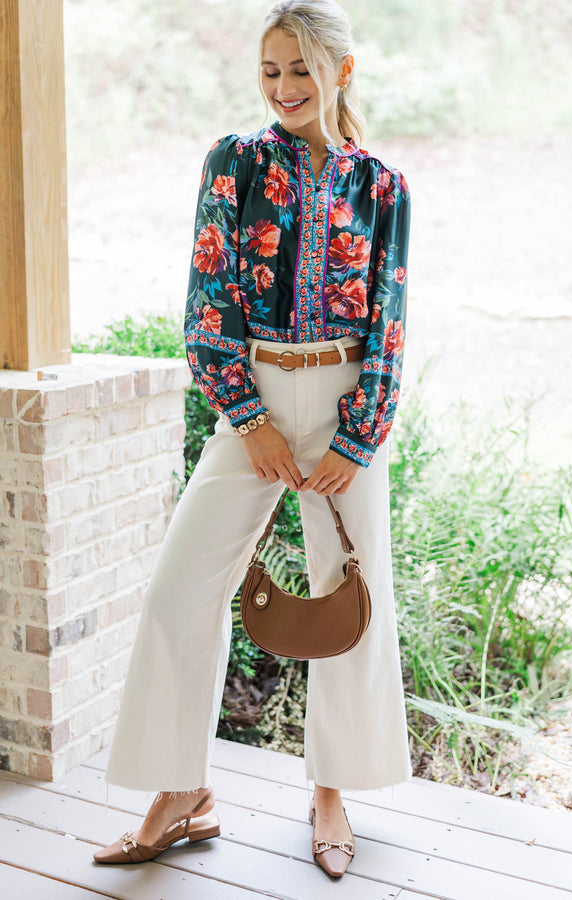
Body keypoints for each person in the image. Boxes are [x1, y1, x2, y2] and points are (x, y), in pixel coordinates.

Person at [94, 0, 411, 880]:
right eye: (270, 71)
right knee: (178, 593)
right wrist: (249, 416)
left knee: (350, 596)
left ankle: (331, 792)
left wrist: (360, 435)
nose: (284, 89)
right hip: (258, 399)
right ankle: (181, 792)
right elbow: (207, 301)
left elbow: (389, 319)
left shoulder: (383, 186)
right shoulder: (233, 163)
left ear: (342, 72)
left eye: (301, 69)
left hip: (349, 399)